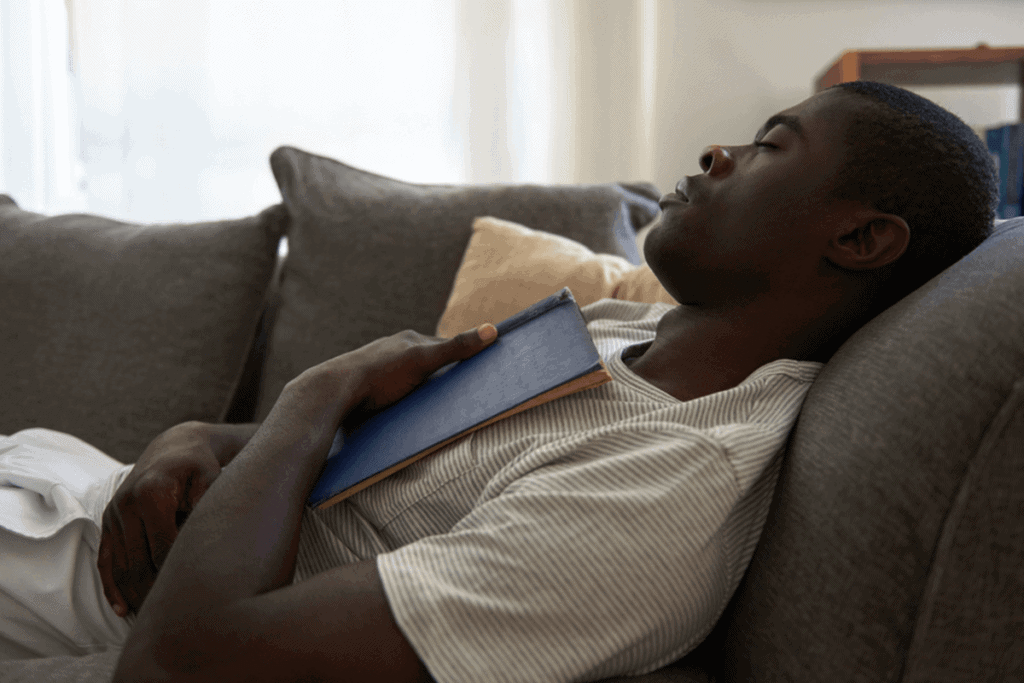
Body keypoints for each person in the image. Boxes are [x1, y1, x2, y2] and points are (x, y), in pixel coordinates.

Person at [0, 81, 998, 682]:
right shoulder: (619, 335)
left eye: (771, 145)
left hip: (79, 572)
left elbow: (185, 661)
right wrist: (186, 436)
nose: (713, 153)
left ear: (860, 238)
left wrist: (313, 392)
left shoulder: (659, 490)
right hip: (77, 479)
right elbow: (327, 452)